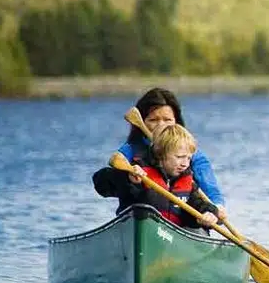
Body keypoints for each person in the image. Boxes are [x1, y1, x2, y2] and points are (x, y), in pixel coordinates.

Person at [115, 87, 227, 223]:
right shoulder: (129, 151)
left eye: (167, 120)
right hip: (138, 220)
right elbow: (107, 184)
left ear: (176, 122)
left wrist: (216, 208)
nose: (161, 125)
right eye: (153, 120)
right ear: (142, 122)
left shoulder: (192, 155)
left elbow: (210, 189)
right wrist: (127, 177)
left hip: (184, 222)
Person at [93, 123, 219, 230]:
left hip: (172, 238)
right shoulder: (140, 172)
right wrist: (127, 178)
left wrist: (209, 214)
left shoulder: (187, 181)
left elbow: (198, 204)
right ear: (161, 154)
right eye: (179, 157)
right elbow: (100, 183)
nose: (185, 163)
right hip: (136, 229)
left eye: (188, 158)